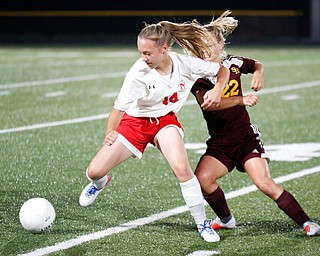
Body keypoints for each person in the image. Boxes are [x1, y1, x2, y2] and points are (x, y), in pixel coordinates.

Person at [79, 20, 230, 242]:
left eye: (148, 53)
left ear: (164, 49)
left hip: (164, 122)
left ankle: (202, 224)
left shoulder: (185, 64)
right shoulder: (138, 73)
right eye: (141, 52)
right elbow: (118, 108)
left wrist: (218, 90)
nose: (143, 58)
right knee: (94, 171)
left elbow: (222, 70)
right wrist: (110, 131)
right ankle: (100, 183)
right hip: (135, 123)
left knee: (182, 168)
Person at [191, 10, 320, 236]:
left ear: (220, 45)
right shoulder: (198, 76)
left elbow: (256, 64)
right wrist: (241, 99)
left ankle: (307, 223)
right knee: (202, 179)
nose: (205, 52)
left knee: (264, 183)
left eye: (209, 46)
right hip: (220, 142)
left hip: (244, 137)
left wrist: (258, 73)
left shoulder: (233, 63)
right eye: (200, 48)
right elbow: (209, 103)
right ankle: (226, 219)